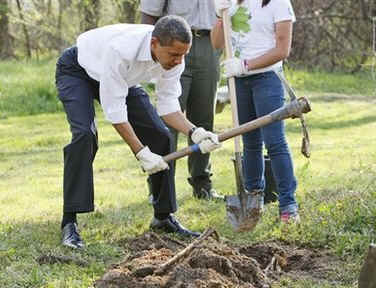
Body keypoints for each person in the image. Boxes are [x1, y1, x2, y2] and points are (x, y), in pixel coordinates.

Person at [55, 15, 222, 249]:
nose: (179, 61)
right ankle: (69, 223)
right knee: (84, 136)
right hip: (78, 70)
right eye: (174, 55)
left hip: (123, 79)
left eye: (183, 54)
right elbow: (115, 111)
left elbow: (168, 106)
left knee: (161, 136)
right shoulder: (121, 50)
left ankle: (163, 217)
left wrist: (195, 132)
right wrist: (141, 152)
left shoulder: (176, 58)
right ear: (154, 43)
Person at [211, 0, 300, 222]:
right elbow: (216, 43)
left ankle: (288, 205)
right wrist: (221, 17)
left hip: (267, 79)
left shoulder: (278, 3)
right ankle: (252, 201)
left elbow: (282, 50)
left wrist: (246, 65)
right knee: (250, 144)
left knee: (275, 142)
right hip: (239, 82)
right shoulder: (231, 3)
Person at [140, 1, 223, 201]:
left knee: (203, 119)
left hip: (209, 42)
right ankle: (160, 186)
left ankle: (202, 184)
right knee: (169, 121)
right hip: (173, 43)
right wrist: (150, 54)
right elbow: (149, 14)